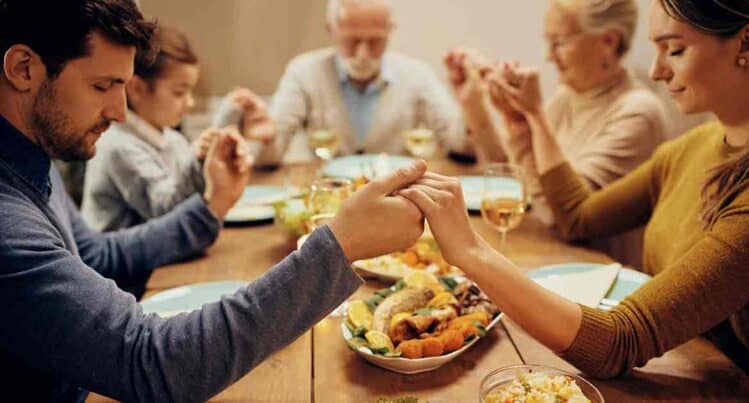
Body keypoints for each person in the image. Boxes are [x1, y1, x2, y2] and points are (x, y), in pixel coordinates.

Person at [0, 1, 427, 401]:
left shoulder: (36, 159)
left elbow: (95, 253)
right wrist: (339, 245)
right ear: (23, 68)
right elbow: (154, 361)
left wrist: (210, 207)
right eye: (102, 85)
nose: (120, 112)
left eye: (122, 87)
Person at [400, 0, 749, 388]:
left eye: (675, 50)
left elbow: (617, 342)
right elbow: (578, 216)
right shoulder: (693, 146)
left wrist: (470, 252)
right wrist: (523, 119)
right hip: (679, 363)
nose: (657, 71)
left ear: (748, 43)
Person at [445, 0, 669, 268]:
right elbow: (518, 179)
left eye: (559, 42)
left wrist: (533, 116)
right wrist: (479, 106)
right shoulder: (568, 96)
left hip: (599, 275)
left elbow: (563, 217)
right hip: (555, 257)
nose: (549, 55)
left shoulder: (639, 113)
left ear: (609, 41)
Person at [214, 0, 468, 163]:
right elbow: (274, 153)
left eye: (375, 41)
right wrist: (261, 139)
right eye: (352, 40)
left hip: (398, 200)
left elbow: (462, 147)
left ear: (390, 31)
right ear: (331, 29)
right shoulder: (303, 71)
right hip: (329, 203)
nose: (363, 54)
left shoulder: (416, 74)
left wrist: (472, 105)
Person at [80, 25, 269, 232]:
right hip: (125, 264)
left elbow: (195, 188)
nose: (189, 103)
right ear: (137, 89)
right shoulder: (118, 147)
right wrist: (201, 155)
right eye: (179, 92)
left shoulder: (172, 140)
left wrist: (223, 138)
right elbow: (167, 211)